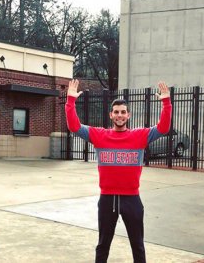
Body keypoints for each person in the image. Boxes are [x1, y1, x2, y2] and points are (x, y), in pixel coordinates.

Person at [65, 79, 172, 263]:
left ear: (128, 115)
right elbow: (74, 127)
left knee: (137, 245)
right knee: (103, 246)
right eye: (116, 112)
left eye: (123, 112)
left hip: (132, 199)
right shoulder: (100, 136)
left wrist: (166, 103)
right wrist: (70, 101)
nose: (120, 115)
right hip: (108, 199)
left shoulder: (139, 136)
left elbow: (163, 128)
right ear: (111, 115)